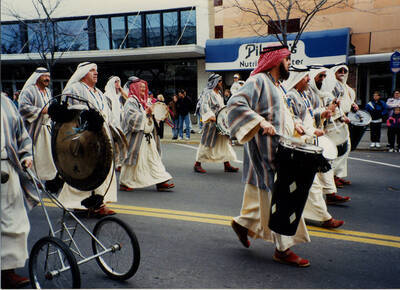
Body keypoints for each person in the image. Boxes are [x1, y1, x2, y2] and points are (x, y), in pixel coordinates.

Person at [227, 44, 312, 267]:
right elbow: (235, 104)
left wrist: (297, 124)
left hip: (280, 149)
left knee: (267, 196)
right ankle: (283, 249)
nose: (289, 64)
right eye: (287, 60)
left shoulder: (278, 86)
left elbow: (283, 113)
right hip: (266, 151)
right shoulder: (258, 81)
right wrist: (260, 121)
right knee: (282, 198)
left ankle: (243, 224)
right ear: (276, 61)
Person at [284, 66, 344, 228]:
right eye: (305, 78)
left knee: (310, 183)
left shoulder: (304, 95)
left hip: (309, 142)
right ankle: (323, 217)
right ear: (297, 80)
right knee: (312, 183)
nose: (308, 79)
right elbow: (294, 122)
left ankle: (316, 214)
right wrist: (311, 132)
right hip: (299, 145)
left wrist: (322, 115)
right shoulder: (290, 97)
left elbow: (310, 116)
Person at [57, 62, 118, 217]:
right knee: (84, 170)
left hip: (101, 137)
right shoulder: (74, 89)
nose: (95, 73)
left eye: (96, 71)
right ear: (83, 73)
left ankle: (98, 202)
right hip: (83, 138)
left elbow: (107, 113)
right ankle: (80, 205)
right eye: (91, 70)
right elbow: (71, 115)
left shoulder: (98, 92)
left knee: (101, 169)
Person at [119, 77, 174, 192]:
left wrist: (156, 115)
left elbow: (152, 116)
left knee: (153, 159)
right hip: (138, 137)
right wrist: (146, 113)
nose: (143, 90)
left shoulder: (144, 101)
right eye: (141, 87)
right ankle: (125, 182)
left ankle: (160, 180)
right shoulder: (131, 101)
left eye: (144, 88)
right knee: (133, 160)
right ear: (134, 88)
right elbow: (131, 119)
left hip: (148, 137)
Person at [1, 94, 33, 288]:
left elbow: (22, 134)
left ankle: (7, 271)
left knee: (13, 222)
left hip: (8, 168)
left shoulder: (5, 102)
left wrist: (27, 155)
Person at [307, 66, 350, 205]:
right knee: (315, 172)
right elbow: (305, 114)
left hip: (319, 134)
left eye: (324, 76)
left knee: (326, 167)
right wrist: (325, 112)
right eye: (320, 76)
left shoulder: (324, 93)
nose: (323, 79)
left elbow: (329, 112)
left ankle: (330, 194)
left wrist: (332, 112)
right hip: (308, 135)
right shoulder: (307, 93)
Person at [18, 67, 58, 182]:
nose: (47, 79)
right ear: (37, 77)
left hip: (48, 128)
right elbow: (23, 108)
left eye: (48, 76)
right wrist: (42, 110)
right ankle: (34, 179)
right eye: (45, 76)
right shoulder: (29, 91)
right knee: (37, 155)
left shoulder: (48, 92)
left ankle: (47, 179)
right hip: (35, 129)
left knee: (48, 155)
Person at [194, 74, 238, 174]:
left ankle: (227, 165)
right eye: (219, 81)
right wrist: (211, 116)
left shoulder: (219, 93)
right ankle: (197, 164)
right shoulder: (208, 93)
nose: (221, 83)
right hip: (211, 123)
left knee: (224, 143)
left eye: (221, 81)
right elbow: (204, 106)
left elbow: (222, 108)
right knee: (206, 143)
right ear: (214, 82)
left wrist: (225, 117)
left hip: (220, 124)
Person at [323, 64, 358, 187]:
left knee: (346, 148)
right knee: (336, 150)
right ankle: (331, 176)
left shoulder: (346, 87)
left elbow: (347, 101)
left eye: (344, 71)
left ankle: (338, 175)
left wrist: (353, 105)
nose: (342, 73)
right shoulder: (331, 86)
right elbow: (330, 103)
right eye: (340, 70)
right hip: (334, 121)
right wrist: (341, 117)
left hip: (344, 120)